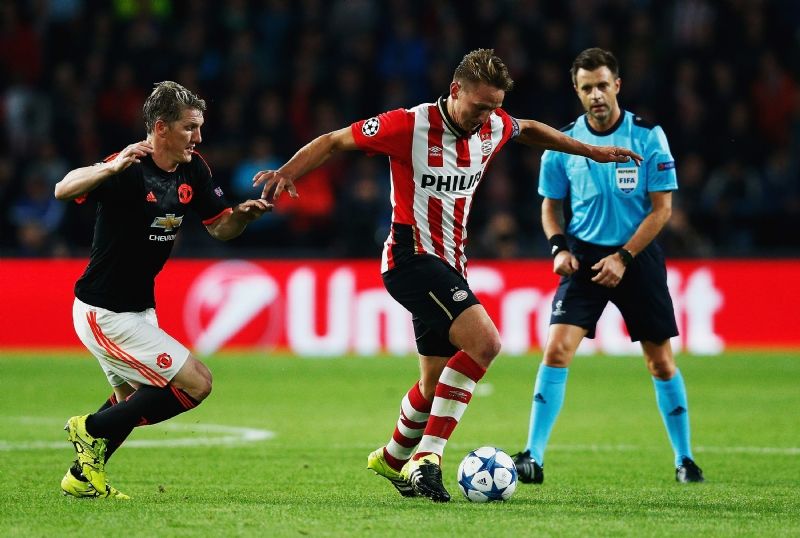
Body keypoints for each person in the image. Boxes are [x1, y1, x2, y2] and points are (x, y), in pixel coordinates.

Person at [253, 49, 643, 502]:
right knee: (486, 343)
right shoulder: (409, 125)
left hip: (451, 264)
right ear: (456, 90)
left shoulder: (493, 125)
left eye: (495, 107)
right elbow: (335, 140)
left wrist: (591, 151)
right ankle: (428, 459)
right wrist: (288, 172)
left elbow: (530, 129)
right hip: (410, 258)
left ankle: (393, 457)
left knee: (433, 382)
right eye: (480, 106)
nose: (487, 117)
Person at [54, 81, 272, 499]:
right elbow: (63, 189)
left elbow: (220, 228)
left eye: (199, 127)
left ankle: (81, 477)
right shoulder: (128, 166)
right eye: (190, 127)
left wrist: (243, 216)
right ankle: (90, 428)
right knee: (197, 383)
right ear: (160, 128)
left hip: (139, 308)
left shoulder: (193, 169)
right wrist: (108, 169)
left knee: (135, 399)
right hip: (104, 312)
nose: (198, 137)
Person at [512, 48, 704, 485]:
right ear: (576, 91)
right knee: (556, 350)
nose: (596, 95)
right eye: (587, 88)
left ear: (617, 85)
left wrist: (624, 257)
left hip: (637, 256)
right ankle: (533, 456)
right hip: (584, 257)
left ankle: (685, 459)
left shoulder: (648, 137)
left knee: (660, 362)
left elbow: (662, 210)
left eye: (602, 85)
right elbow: (550, 206)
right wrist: (558, 248)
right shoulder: (562, 143)